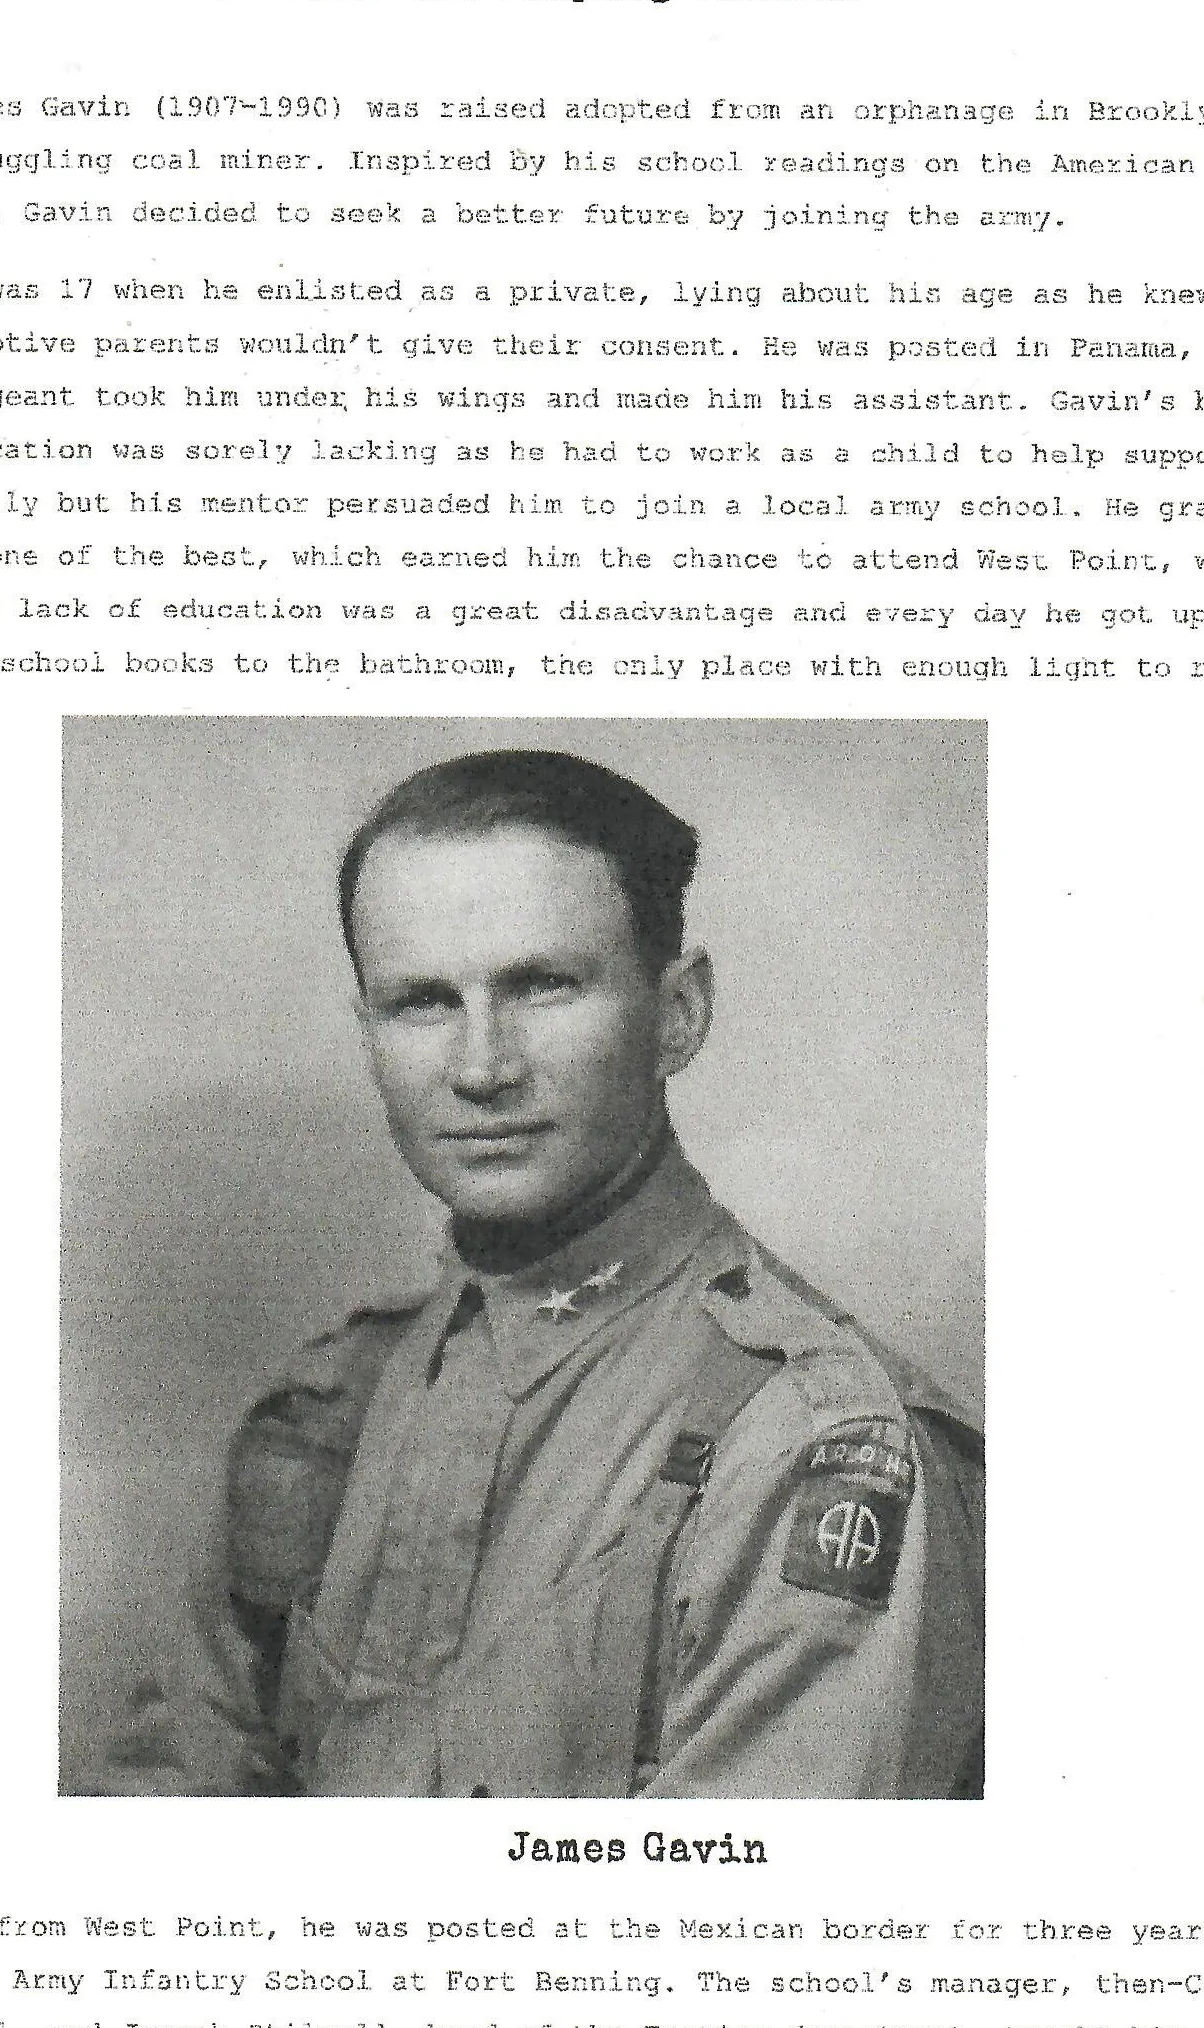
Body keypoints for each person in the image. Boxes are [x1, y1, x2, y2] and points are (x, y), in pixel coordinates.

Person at [111, 747, 983, 1799]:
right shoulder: (333, 1405)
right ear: (367, 1031)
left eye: (543, 986)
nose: (481, 1068)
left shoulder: (809, 1439)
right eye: (421, 1002)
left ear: (678, 1015)